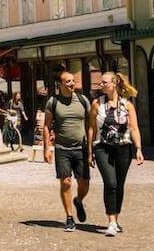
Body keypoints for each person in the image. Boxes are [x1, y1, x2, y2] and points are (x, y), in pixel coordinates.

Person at [88, 71, 144, 237]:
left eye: (104, 82)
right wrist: (89, 151)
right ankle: (111, 221)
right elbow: (92, 128)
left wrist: (139, 149)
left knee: (119, 184)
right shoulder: (96, 104)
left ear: (114, 84)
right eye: (101, 82)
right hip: (102, 147)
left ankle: (116, 218)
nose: (101, 85)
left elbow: (134, 128)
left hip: (123, 148)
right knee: (110, 183)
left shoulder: (127, 105)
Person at [43, 72, 91, 232]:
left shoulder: (83, 100)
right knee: (66, 182)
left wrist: (92, 148)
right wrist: (47, 148)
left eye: (73, 81)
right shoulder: (53, 102)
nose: (71, 83)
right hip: (62, 148)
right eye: (68, 81)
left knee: (84, 183)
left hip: (81, 148)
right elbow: (46, 126)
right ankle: (69, 218)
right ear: (60, 85)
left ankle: (79, 200)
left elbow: (91, 125)